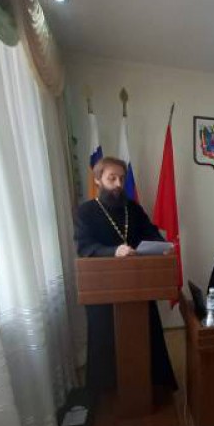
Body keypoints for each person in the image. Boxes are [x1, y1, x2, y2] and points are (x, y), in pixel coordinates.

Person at [74, 156, 178, 402]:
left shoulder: (133, 208)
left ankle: (154, 384)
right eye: (112, 178)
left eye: (121, 178)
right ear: (98, 180)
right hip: (103, 289)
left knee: (147, 337)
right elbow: (85, 247)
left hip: (137, 286)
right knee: (106, 341)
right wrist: (114, 251)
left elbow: (150, 231)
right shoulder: (85, 211)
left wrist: (162, 245)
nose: (118, 184)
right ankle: (106, 393)